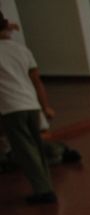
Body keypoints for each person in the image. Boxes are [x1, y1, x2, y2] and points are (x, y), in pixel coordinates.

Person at [0, 12, 57, 204]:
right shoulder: (21, 49)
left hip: (11, 107)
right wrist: (45, 106)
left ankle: (43, 190)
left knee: (25, 150)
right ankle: (46, 185)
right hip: (31, 104)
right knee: (36, 147)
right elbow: (37, 81)